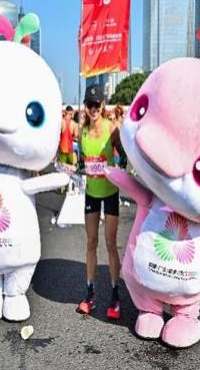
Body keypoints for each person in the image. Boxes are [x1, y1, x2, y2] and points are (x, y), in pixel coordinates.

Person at [77, 84, 125, 319]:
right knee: (91, 242)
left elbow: (123, 155)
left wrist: (121, 169)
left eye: (97, 105)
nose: (93, 109)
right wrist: (78, 167)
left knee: (110, 242)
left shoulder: (111, 128)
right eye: (90, 105)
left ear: (103, 105)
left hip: (110, 192)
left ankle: (115, 296)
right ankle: (90, 293)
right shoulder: (82, 132)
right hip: (92, 194)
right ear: (86, 107)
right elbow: (82, 160)